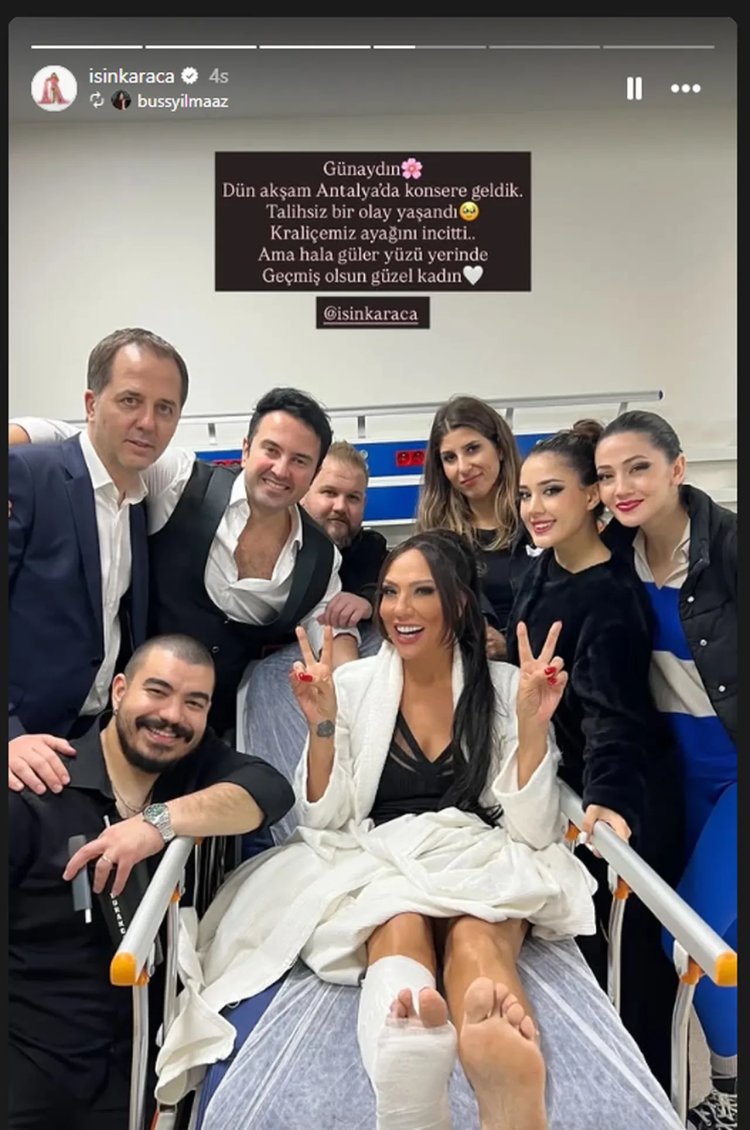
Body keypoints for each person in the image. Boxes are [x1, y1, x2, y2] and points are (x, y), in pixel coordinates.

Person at [152, 529, 596, 1129]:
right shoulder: (353, 686)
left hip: (478, 849)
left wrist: (534, 728)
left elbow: (534, 829)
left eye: (421, 592)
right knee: (397, 922)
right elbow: (324, 820)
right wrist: (322, 727)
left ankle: (499, 1072)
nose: (398, 610)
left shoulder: (504, 688)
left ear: (459, 601)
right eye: (389, 592)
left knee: (478, 934)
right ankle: (410, 1068)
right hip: (379, 853)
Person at [9, 633, 294, 1130]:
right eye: (157, 692)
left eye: (194, 703)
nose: (171, 716)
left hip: (139, 1076)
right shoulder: (35, 790)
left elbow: (271, 790)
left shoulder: (190, 770)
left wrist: (155, 823)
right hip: (29, 1070)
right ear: (119, 691)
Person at [9, 387, 361, 736]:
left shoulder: (320, 558)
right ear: (246, 449)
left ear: (314, 473)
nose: (281, 470)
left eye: (299, 461)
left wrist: (351, 693)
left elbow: (334, 633)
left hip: (212, 732)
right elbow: (90, 441)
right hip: (121, 716)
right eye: (271, 450)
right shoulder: (180, 481)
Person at [504, 420, 684, 1093]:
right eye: (526, 494)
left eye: (552, 491)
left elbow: (617, 717)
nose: (535, 507)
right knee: (583, 965)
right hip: (569, 793)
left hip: (623, 802)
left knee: (634, 972)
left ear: (590, 497)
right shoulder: (542, 569)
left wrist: (607, 802)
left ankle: (649, 1099)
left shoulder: (610, 595)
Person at [596, 411, 737, 1130]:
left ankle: (729, 1090)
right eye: (606, 475)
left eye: (639, 468)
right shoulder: (613, 558)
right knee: (711, 936)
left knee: (690, 937)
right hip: (676, 775)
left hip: (736, 771)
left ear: (678, 469)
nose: (621, 487)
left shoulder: (731, 547)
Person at [9, 328, 187, 761]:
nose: (148, 423)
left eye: (165, 408)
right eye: (130, 400)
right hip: (21, 742)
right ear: (91, 405)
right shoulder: (27, 476)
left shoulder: (141, 503)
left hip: (90, 741)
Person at [416, 395, 537, 660]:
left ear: (500, 448)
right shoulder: (436, 537)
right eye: (450, 458)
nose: (463, 467)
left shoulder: (538, 517)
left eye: (472, 449)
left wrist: (511, 647)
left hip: (544, 666)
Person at [301, 440, 389, 629]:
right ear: (302, 494)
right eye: (329, 492)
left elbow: (397, 589)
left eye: (352, 498)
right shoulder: (276, 546)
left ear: (363, 504)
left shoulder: (372, 550)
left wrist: (369, 601)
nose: (341, 507)